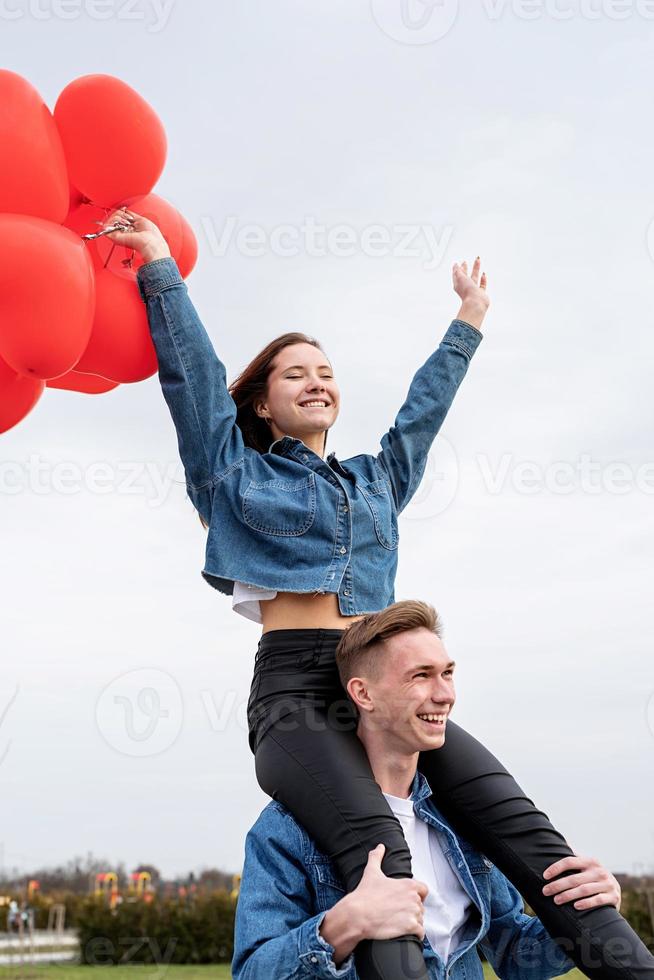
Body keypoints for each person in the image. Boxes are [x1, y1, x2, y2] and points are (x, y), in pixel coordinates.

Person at [102, 206, 654, 980]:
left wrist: (470, 318)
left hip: (382, 682)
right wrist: (161, 267)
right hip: (296, 690)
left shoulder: (377, 479)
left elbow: (422, 414)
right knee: (379, 850)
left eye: (326, 372)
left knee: (528, 833)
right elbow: (192, 378)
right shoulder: (233, 471)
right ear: (263, 401)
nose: (316, 381)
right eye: (295, 372)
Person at [231, 600, 622, 979]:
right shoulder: (288, 829)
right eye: (421, 676)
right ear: (363, 694)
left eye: (447, 673)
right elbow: (252, 971)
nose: (445, 695)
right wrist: (341, 927)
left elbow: (515, 954)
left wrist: (589, 907)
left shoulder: (461, 818)